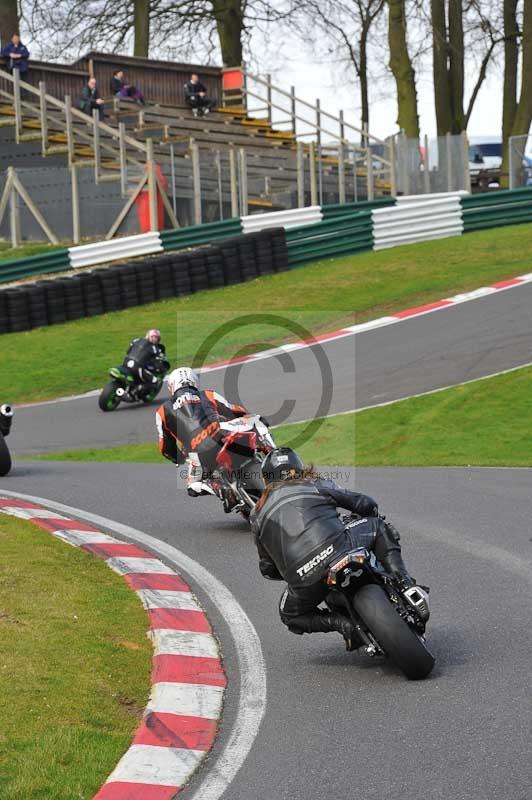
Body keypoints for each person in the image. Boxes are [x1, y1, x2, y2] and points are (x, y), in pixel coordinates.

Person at [250, 448, 430, 646]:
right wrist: (372, 513)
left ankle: (342, 625)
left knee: (289, 614)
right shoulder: (313, 483)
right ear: (298, 468)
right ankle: (405, 585)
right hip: (338, 548)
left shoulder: (256, 515)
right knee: (378, 527)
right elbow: (363, 502)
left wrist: (292, 571)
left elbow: (267, 568)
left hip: (305, 579)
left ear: (266, 479)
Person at [156, 366, 249, 499]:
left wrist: (179, 458)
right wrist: (244, 416)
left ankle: (218, 488)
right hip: (222, 436)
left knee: (192, 487)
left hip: (198, 454)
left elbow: (165, 447)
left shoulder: (162, 411)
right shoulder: (208, 394)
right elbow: (235, 410)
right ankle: (270, 454)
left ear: (171, 386)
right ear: (194, 382)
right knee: (253, 429)